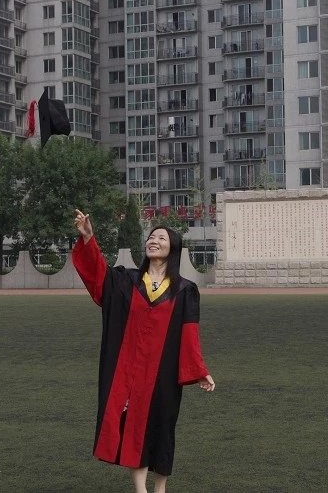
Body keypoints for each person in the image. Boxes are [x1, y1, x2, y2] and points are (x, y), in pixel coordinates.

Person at [72, 209, 215, 493]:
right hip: (128, 370)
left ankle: (160, 488)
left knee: (162, 427)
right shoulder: (126, 281)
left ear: (173, 248)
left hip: (163, 374)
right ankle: (141, 489)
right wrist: (88, 238)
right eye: (151, 237)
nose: (153, 241)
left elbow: (190, 332)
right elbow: (98, 275)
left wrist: (199, 370)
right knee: (134, 426)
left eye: (161, 238)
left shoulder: (184, 290)